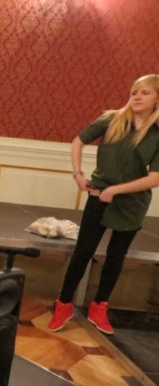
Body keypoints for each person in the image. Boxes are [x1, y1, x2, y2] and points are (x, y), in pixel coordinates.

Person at [48, 74, 159, 335]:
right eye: (134, 92)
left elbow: (155, 178)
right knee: (83, 251)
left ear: (157, 99)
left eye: (145, 92)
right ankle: (63, 304)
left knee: (116, 256)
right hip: (99, 197)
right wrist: (78, 174)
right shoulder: (111, 120)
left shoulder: (156, 133)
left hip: (132, 203)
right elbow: (78, 141)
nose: (137, 97)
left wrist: (116, 190)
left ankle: (99, 307)